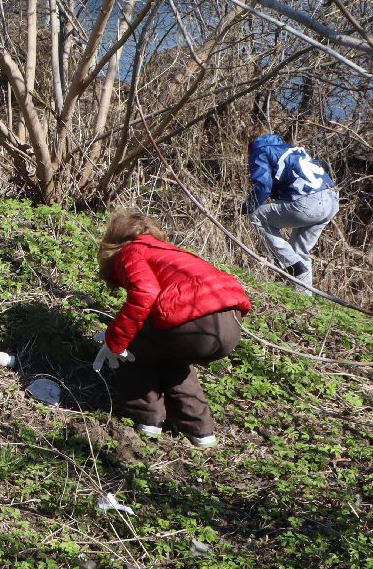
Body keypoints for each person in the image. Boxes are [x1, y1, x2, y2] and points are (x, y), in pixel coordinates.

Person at [94, 211, 251, 446]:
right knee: (172, 358)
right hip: (230, 322)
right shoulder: (171, 252)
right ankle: (200, 430)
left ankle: (146, 417)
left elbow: (145, 293)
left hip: (195, 318)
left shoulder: (131, 250)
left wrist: (116, 340)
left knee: (132, 350)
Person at [245, 124, 339, 289]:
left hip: (309, 203)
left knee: (258, 217)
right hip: (332, 199)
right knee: (300, 250)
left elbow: (264, 185)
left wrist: (248, 206)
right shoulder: (291, 149)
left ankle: (291, 264)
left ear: (249, 141)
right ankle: (304, 301)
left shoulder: (260, 150)